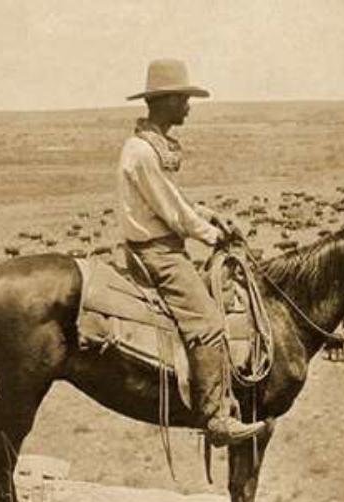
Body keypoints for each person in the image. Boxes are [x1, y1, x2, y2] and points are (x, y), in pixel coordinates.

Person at [117, 58, 266, 447]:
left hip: (162, 245)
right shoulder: (143, 153)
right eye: (183, 98)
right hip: (158, 253)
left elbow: (173, 200)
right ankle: (216, 418)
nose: (188, 105)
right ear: (165, 101)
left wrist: (210, 215)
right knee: (209, 323)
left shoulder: (148, 147)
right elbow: (171, 211)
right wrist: (210, 235)